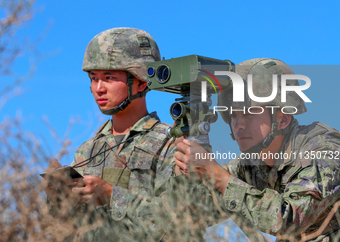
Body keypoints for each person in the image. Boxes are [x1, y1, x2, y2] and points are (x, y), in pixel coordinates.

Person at [175, 58, 340, 241]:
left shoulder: (321, 148)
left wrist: (218, 177)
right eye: (232, 115)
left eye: (248, 113)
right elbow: (199, 211)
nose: (237, 125)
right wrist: (187, 162)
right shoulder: (250, 162)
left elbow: (289, 220)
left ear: (282, 119)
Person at [42, 27, 177, 241]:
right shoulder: (88, 150)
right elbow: (66, 231)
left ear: (141, 81)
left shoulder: (170, 144)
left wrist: (111, 195)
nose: (99, 88)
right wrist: (57, 199)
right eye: (93, 78)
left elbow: (180, 222)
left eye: (109, 77)